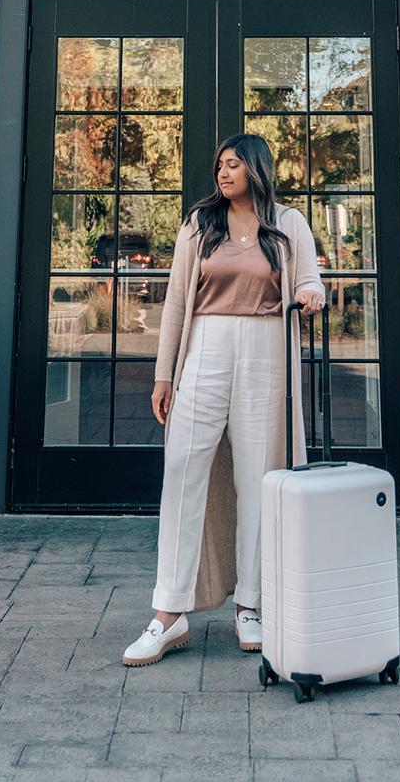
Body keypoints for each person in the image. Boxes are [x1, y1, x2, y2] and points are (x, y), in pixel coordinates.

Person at [122, 132, 326, 667]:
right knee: (183, 469)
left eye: (234, 164)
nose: (223, 173)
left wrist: (309, 295)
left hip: (265, 348)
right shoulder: (200, 224)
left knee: (257, 477)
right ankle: (169, 612)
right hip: (206, 347)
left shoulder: (289, 224)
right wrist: (164, 374)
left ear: (256, 168)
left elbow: (311, 279)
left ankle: (250, 605)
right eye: (220, 166)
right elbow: (173, 304)